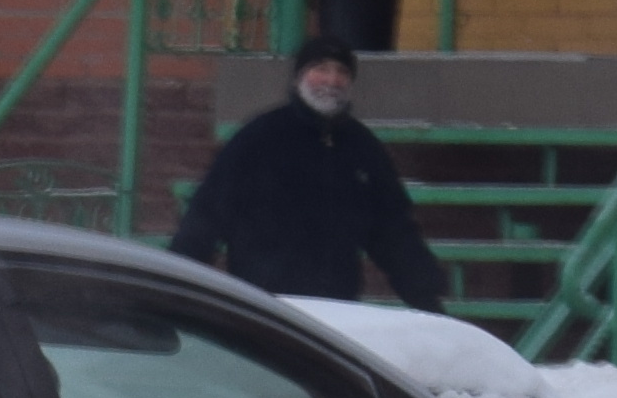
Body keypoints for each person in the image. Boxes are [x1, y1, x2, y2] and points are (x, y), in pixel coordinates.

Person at [170, 35, 448, 312]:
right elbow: (206, 216)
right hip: (265, 306)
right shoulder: (259, 138)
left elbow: (394, 231)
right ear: (298, 78)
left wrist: (427, 300)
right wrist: (174, 293)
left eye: (341, 72)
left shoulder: (363, 148)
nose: (332, 80)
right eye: (321, 69)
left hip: (335, 311)